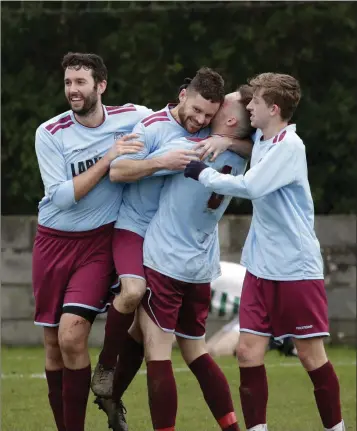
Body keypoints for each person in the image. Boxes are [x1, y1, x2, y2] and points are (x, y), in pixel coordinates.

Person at [184, 73, 344, 431]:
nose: (248, 107)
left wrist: (201, 174)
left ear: (273, 109)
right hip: (259, 268)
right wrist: (225, 143)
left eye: (254, 102)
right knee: (246, 353)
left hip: (295, 269)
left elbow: (251, 185)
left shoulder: (290, 146)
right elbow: (251, 148)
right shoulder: (264, 139)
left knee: (309, 355)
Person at [108, 85, 254, 431]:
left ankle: (115, 394)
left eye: (221, 106)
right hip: (201, 267)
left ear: (230, 118)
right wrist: (231, 141)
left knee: (158, 355)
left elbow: (121, 171)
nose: (211, 110)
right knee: (196, 353)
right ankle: (232, 427)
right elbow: (254, 141)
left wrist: (133, 152)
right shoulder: (249, 156)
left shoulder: (188, 149)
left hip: (165, 262)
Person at [32, 51, 153, 431]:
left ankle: (106, 377)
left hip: (98, 244)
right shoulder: (49, 133)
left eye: (80, 82)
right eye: (68, 82)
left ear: (100, 85)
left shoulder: (132, 115)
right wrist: (108, 157)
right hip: (53, 241)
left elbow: (173, 123)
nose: (73, 90)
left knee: (72, 335)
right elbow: (65, 197)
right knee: (53, 346)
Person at [90, 67, 226, 399]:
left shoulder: (210, 132)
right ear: (183, 95)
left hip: (173, 240)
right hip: (136, 228)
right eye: (195, 110)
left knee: (144, 330)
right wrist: (161, 162)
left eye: (208, 115)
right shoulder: (152, 127)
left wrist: (227, 138)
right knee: (134, 291)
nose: (199, 120)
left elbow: (260, 139)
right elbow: (118, 171)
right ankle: (106, 368)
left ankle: (112, 400)